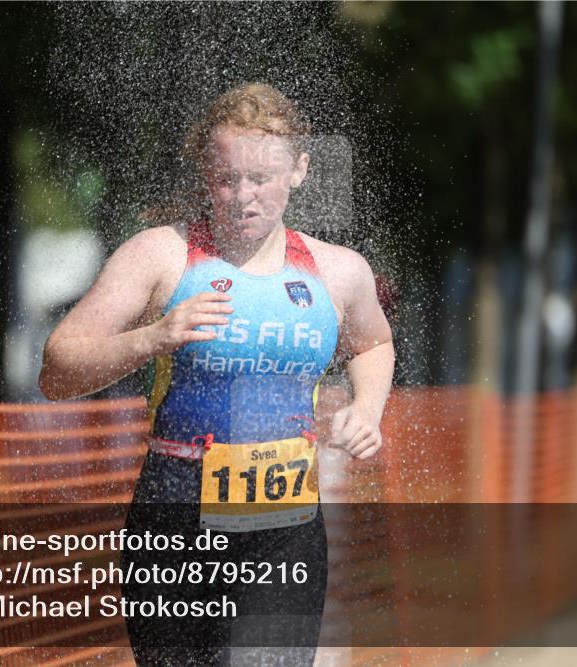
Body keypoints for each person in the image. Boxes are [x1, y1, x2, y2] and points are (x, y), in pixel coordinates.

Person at [39, 82, 394, 666]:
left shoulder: (339, 272)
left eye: (261, 179)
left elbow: (374, 342)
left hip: (286, 523)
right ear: (206, 171)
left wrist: (367, 407)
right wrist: (152, 337)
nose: (243, 197)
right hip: (172, 517)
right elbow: (57, 368)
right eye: (227, 179)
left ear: (300, 169)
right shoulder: (161, 256)